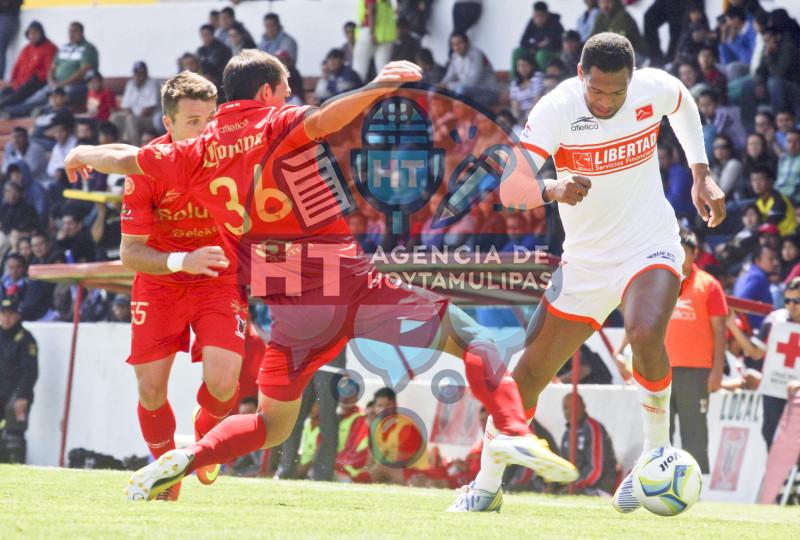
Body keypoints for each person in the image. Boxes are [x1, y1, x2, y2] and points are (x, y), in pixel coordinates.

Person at [65, 52, 576, 501]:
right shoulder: (273, 124)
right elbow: (328, 117)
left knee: (270, 425)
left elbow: (129, 159)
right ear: (267, 93)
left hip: (287, 303)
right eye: (286, 90)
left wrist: (81, 152)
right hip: (344, 280)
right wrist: (377, 87)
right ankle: (511, 427)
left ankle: (187, 457)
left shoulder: (194, 149)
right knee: (470, 335)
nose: (290, 97)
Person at [457, 32, 725, 513]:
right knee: (530, 374)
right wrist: (553, 189)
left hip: (650, 244)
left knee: (645, 335)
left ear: (631, 80)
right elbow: (510, 186)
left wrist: (701, 171)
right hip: (584, 262)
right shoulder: (555, 108)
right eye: (597, 91)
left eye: (616, 93)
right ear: (581, 75)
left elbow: (683, 103)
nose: (605, 102)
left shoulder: (651, 88)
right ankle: (486, 484)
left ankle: (653, 455)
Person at [118, 71, 247, 501]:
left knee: (226, 382)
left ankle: (204, 440)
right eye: (194, 121)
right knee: (151, 390)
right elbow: (130, 252)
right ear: (167, 123)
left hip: (216, 275)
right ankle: (165, 473)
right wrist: (180, 261)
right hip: (160, 281)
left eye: (211, 118)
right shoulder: (146, 168)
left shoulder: (228, 154)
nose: (206, 130)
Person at [663, 230, 727, 473]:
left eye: (686, 252)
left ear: (695, 253)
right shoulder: (663, 281)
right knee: (661, 428)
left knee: (694, 430)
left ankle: (697, 485)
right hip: (662, 367)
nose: (681, 256)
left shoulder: (709, 286)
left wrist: (717, 370)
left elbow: (720, 332)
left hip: (696, 370)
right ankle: (660, 480)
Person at [4, 21, 98, 118]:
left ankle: (41, 111)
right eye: (70, 32)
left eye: (75, 31)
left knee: (58, 99)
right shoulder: (64, 47)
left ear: (82, 32)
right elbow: (52, 68)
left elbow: (83, 71)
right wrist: (51, 81)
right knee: (34, 99)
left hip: (76, 85)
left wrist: (63, 83)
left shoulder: (88, 48)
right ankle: (10, 112)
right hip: (56, 83)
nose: (71, 34)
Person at [0, 295, 38, 464]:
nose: (7, 318)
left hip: (16, 394)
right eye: (3, 314)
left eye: (11, 314)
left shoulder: (25, 339)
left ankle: (17, 469)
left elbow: (30, 371)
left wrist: (22, 397)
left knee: (13, 437)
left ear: (18, 316)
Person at [560, 393, 617, 495]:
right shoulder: (567, 433)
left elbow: (596, 470)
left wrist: (575, 485)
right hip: (576, 486)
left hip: (599, 488)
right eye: (565, 408)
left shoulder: (594, 429)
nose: (569, 411)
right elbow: (563, 465)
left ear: (584, 407)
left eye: (574, 406)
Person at [0, 20, 56, 110]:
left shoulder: (50, 48)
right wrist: (12, 82)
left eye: (35, 33)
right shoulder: (27, 48)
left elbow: (48, 70)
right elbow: (17, 67)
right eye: (30, 34)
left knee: (15, 97)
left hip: (36, 82)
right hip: (19, 83)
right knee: (5, 92)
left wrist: (33, 79)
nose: (32, 36)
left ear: (41, 33)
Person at [440, 32, 499, 108]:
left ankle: (460, 118)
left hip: (488, 92)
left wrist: (448, 86)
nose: (456, 47)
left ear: (467, 43)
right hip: (468, 91)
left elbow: (473, 81)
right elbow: (449, 76)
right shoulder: (454, 56)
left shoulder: (477, 54)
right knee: (435, 92)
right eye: (453, 45)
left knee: (461, 91)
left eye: (459, 43)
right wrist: (440, 85)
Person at [111, 62, 160, 145]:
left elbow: (149, 109)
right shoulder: (130, 84)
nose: (139, 75)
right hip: (134, 116)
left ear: (146, 73)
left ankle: (135, 149)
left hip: (150, 119)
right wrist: (130, 115)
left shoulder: (152, 84)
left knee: (131, 120)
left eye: (141, 73)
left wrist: (133, 117)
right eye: (136, 73)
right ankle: (115, 146)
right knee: (115, 117)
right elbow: (126, 106)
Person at [733, 244, 779, 328]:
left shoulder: (748, 274)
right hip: (755, 329)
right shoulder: (757, 277)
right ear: (758, 261)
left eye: (775, 259)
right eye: (771, 259)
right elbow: (740, 302)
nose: (775, 262)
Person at [352, 0, 396, 82]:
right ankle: (385, 93)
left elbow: (372, 9)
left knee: (359, 69)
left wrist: (372, 32)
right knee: (383, 70)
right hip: (385, 35)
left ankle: (357, 92)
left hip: (369, 32)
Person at [776, 130, 800, 201]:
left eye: (797, 142)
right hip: (778, 196)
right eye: (789, 141)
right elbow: (779, 181)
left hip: (793, 199)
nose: (792, 145)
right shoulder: (783, 158)